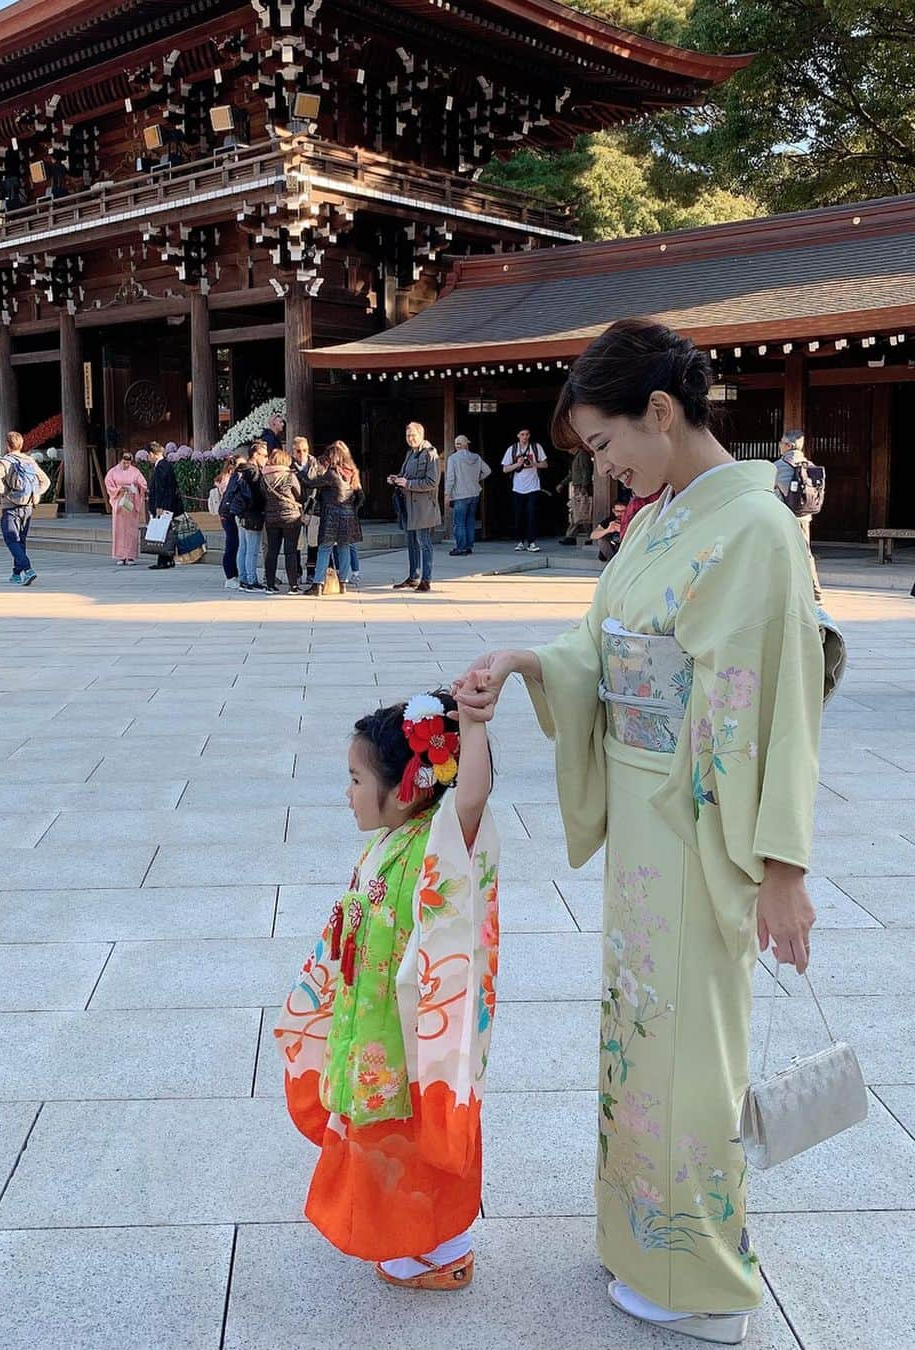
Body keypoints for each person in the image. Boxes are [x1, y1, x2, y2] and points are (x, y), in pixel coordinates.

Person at [454, 318, 846, 1346]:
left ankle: (700, 1279)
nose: (608, 469)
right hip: (644, 817)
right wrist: (531, 664)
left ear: (661, 414)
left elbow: (777, 706)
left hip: (700, 817)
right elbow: (601, 642)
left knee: (689, 1047)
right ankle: (643, 1236)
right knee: (642, 1034)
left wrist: (783, 867)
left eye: (606, 445)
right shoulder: (663, 517)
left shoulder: (754, 528)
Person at [274, 687, 498, 1289]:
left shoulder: (436, 841)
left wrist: (472, 726)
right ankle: (415, 1238)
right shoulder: (385, 845)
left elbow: (472, 793)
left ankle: (444, 1247)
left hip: (411, 1035)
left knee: (421, 1136)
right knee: (388, 1138)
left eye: (354, 779)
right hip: (373, 1023)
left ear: (406, 789)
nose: (347, 794)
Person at [303, 440, 363, 596]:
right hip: (348, 517)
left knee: (324, 548)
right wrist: (351, 509)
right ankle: (343, 583)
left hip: (331, 516)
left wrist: (301, 471)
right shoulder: (353, 473)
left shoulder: (331, 474)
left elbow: (310, 483)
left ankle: (318, 584)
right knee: (344, 548)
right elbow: (361, 497)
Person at [0, 431, 50, 585]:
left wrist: (6, 493)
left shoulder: (6, 461)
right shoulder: (30, 461)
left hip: (11, 507)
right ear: (21, 445)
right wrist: (35, 494)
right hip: (28, 506)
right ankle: (16, 573)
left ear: (7, 445)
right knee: (20, 540)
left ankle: (28, 569)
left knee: (10, 538)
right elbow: (46, 481)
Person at [774, 429, 824, 602]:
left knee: (780, 552)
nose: (780, 445)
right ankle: (814, 591)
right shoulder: (809, 465)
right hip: (804, 515)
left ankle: (784, 591)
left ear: (788, 445)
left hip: (784, 516)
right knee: (805, 552)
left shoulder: (779, 466)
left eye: (781, 442)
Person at [390, 422, 441, 592]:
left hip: (423, 506)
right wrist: (397, 478)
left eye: (413, 435)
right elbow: (405, 475)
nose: (410, 439)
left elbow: (432, 482)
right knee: (411, 542)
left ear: (422, 435)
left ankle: (426, 579)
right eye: (408, 435)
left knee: (424, 542)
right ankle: (414, 576)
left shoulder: (430, 454)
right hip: (408, 505)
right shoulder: (410, 454)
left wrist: (408, 483)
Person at [222, 439, 268, 591]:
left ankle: (243, 578)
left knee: (243, 547)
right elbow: (254, 495)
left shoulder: (241, 470)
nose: (266, 459)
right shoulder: (253, 471)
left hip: (240, 513)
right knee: (252, 549)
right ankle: (251, 580)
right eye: (264, 455)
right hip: (251, 513)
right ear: (255, 454)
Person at [262, 449, 304, 593]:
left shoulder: (264, 477)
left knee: (272, 551)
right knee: (290, 551)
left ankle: (270, 584)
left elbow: (262, 495)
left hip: (271, 518)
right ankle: (293, 585)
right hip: (290, 517)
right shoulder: (289, 475)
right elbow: (298, 493)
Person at [501, 428, 547, 552]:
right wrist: (518, 464)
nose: (524, 437)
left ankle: (532, 542)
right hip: (518, 487)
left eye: (527, 434)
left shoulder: (536, 447)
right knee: (518, 515)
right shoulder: (513, 449)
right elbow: (505, 469)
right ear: (518, 435)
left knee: (532, 515)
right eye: (522, 434)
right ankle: (520, 541)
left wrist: (534, 463)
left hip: (533, 486)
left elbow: (545, 464)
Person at [444, 434, 491, 556]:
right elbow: (487, 471)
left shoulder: (453, 459)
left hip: (460, 494)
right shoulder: (476, 457)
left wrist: (447, 494)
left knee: (459, 522)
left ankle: (461, 547)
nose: (457, 444)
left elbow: (450, 478)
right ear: (467, 444)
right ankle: (469, 546)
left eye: (457, 443)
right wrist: (476, 479)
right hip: (474, 493)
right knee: (470, 520)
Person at [145, 441, 184, 571]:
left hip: (164, 504)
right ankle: (169, 559)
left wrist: (159, 505)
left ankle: (163, 560)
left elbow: (161, 488)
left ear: (152, 454)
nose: (148, 458)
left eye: (148, 455)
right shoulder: (166, 464)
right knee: (167, 531)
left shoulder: (161, 466)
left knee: (161, 532)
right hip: (169, 503)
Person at [104, 450, 146, 566]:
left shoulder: (135, 472)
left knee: (131, 530)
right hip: (119, 501)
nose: (126, 465)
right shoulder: (113, 472)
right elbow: (108, 484)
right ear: (120, 461)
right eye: (124, 463)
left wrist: (135, 489)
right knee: (120, 530)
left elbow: (143, 484)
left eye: (128, 463)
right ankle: (120, 555)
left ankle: (131, 556)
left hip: (131, 502)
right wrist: (118, 489)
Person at [209, 456, 240, 590]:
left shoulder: (222, 477)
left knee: (233, 543)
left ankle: (233, 574)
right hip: (229, 512)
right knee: (232, 544)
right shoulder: (229, 478)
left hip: (225, 513)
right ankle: (230, 576)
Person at [291, 436, 319, 584]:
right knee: (297, 543)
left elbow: (315, 486)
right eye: (298, 451)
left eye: (305, 450)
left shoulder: (314, 463)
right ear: (293, 451)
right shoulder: (290, 465)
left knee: (312, 542)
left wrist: (309, 511)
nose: (302, 454)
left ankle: (311, 571)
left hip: (312, 508)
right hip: (295, 508)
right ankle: (297, 572)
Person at [557, 443, 594, 545]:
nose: (568, 450)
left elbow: (586, 471)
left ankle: (586, 535)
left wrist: (584, 487)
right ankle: (571, 536)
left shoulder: (582, 455)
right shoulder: (577, 456)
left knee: (583, 512)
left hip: (581, 488)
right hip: (578, 487)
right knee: (577, 512)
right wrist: (562, 483)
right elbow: (572, 474)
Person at [590, 498, 627, 566]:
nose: (620, 514)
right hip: (611, 551)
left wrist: (623, 531)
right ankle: (613, 562)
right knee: (601, 539)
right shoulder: (610, 520)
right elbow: (592, 535)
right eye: (617, 511)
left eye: (623, 511)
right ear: (613, 510)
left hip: (624, 550)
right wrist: (607, 530)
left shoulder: (631, 520)